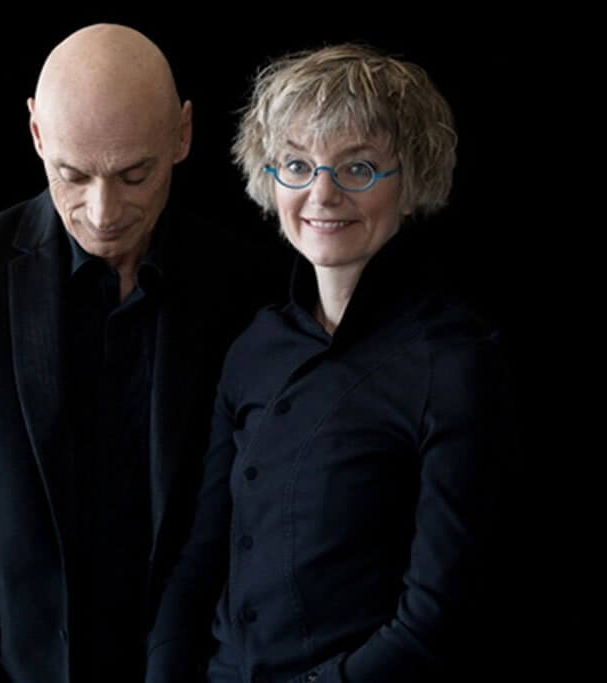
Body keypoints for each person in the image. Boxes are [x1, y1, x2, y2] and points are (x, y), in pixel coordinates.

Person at [0, 23, 285, 683]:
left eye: (134, 174)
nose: (102, 211)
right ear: (37, 133)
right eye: (72, 174)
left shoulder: (246, 284)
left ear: (182, 135)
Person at [146, 44, 517, 682]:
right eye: (297, 164)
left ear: (413, 180)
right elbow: (199, 557)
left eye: (358, 167)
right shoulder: (255, 346)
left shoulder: (457, 362)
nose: (322, 193)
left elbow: (437, 618)